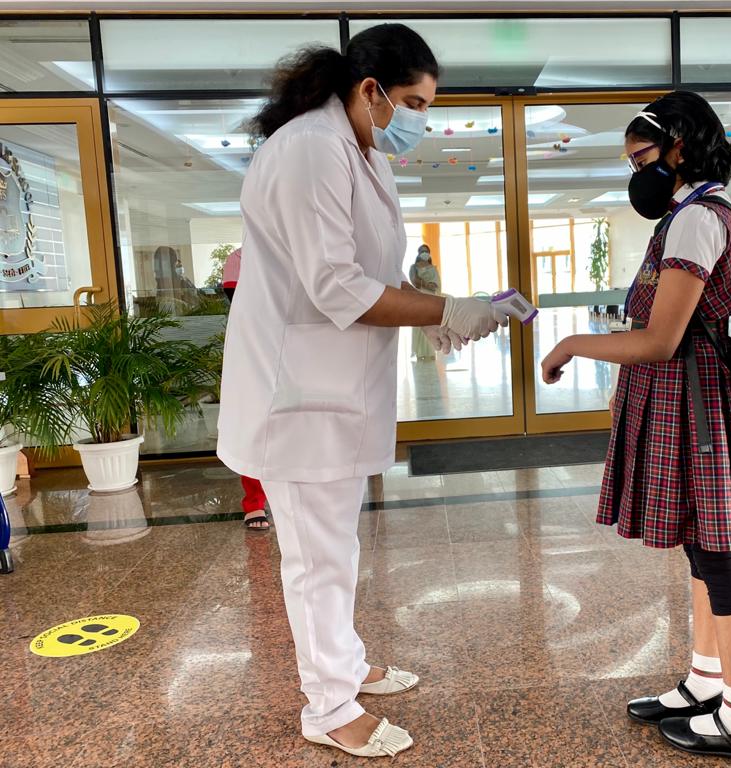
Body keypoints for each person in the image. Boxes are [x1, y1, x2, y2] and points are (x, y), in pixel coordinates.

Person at [217, 27, 510, 759]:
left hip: (333, 391)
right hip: (297, 398)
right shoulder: (311, 149)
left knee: (335, 549)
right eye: (412, 101)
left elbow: (372, 270)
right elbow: (336, 285)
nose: (418, 119)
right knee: (317, 560)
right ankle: (328, 707)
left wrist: (432, 314)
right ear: (370, 89)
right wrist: (443, 309)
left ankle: (344, 667)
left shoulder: (357, 150)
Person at [540, 91, 731, 763]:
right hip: (695, 400)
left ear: (679, 146)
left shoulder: (697, 220)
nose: (635, 171)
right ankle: (707, 681)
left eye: (641, 156)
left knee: (718, 556)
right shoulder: (699, 211)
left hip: (697, 404)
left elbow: (660, 339)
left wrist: (571, 347)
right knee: (700, 547)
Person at [221, 247, 271, 531]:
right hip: (253, 349)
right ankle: (254, 502)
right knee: (255, 427)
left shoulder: (304, 246)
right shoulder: (239, 258)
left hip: (296, 351)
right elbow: (242, 304)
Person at [408, 244, 442, 360]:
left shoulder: (433, 268)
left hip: (431, 298)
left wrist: (432, 286)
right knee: (420, 324)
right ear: (418, 253)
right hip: (419, 297)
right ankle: (419, 353)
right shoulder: (414, 267)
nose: (424, 253)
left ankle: (430, 352)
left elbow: (437, 285)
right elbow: (414, 281)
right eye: (422, 251)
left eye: (426, 251)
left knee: (430, 323)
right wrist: (426, 284)